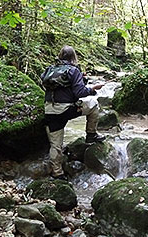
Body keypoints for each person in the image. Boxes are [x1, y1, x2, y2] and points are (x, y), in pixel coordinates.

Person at [41, 45, 105, 180]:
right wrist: (93, 89)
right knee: (94, 104)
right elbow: (79, 92)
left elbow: (60, 86)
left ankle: (57, 173)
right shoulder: (73, 70)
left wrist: (82, 80)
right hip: (66, 110)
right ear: (73, 57)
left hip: (49, 110)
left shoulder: (50, 70)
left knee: (55, 144)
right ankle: (91, 134)